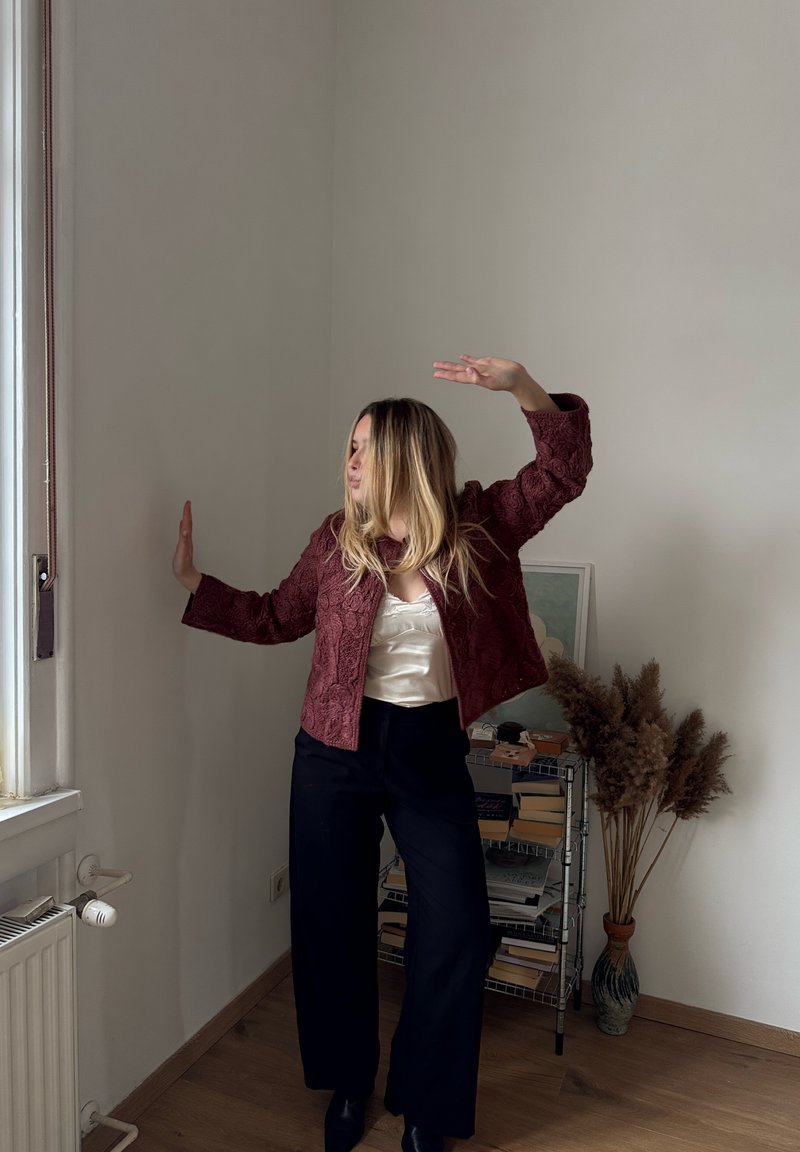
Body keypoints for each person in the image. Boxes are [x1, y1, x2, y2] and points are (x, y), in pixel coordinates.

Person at [173, 355, 592, 1152]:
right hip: (333, 751)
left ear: (405, 454)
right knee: (330, 924)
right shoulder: (336, 544)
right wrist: (197, 584)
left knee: (460, 929)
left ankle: (427, 1101)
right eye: (350, 445)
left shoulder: (480, 527)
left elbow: (562, 471)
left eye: (365, 445)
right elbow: (273, 616)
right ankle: (348, 1082)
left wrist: (522, 388)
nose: (351, 460)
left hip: (428, 746)